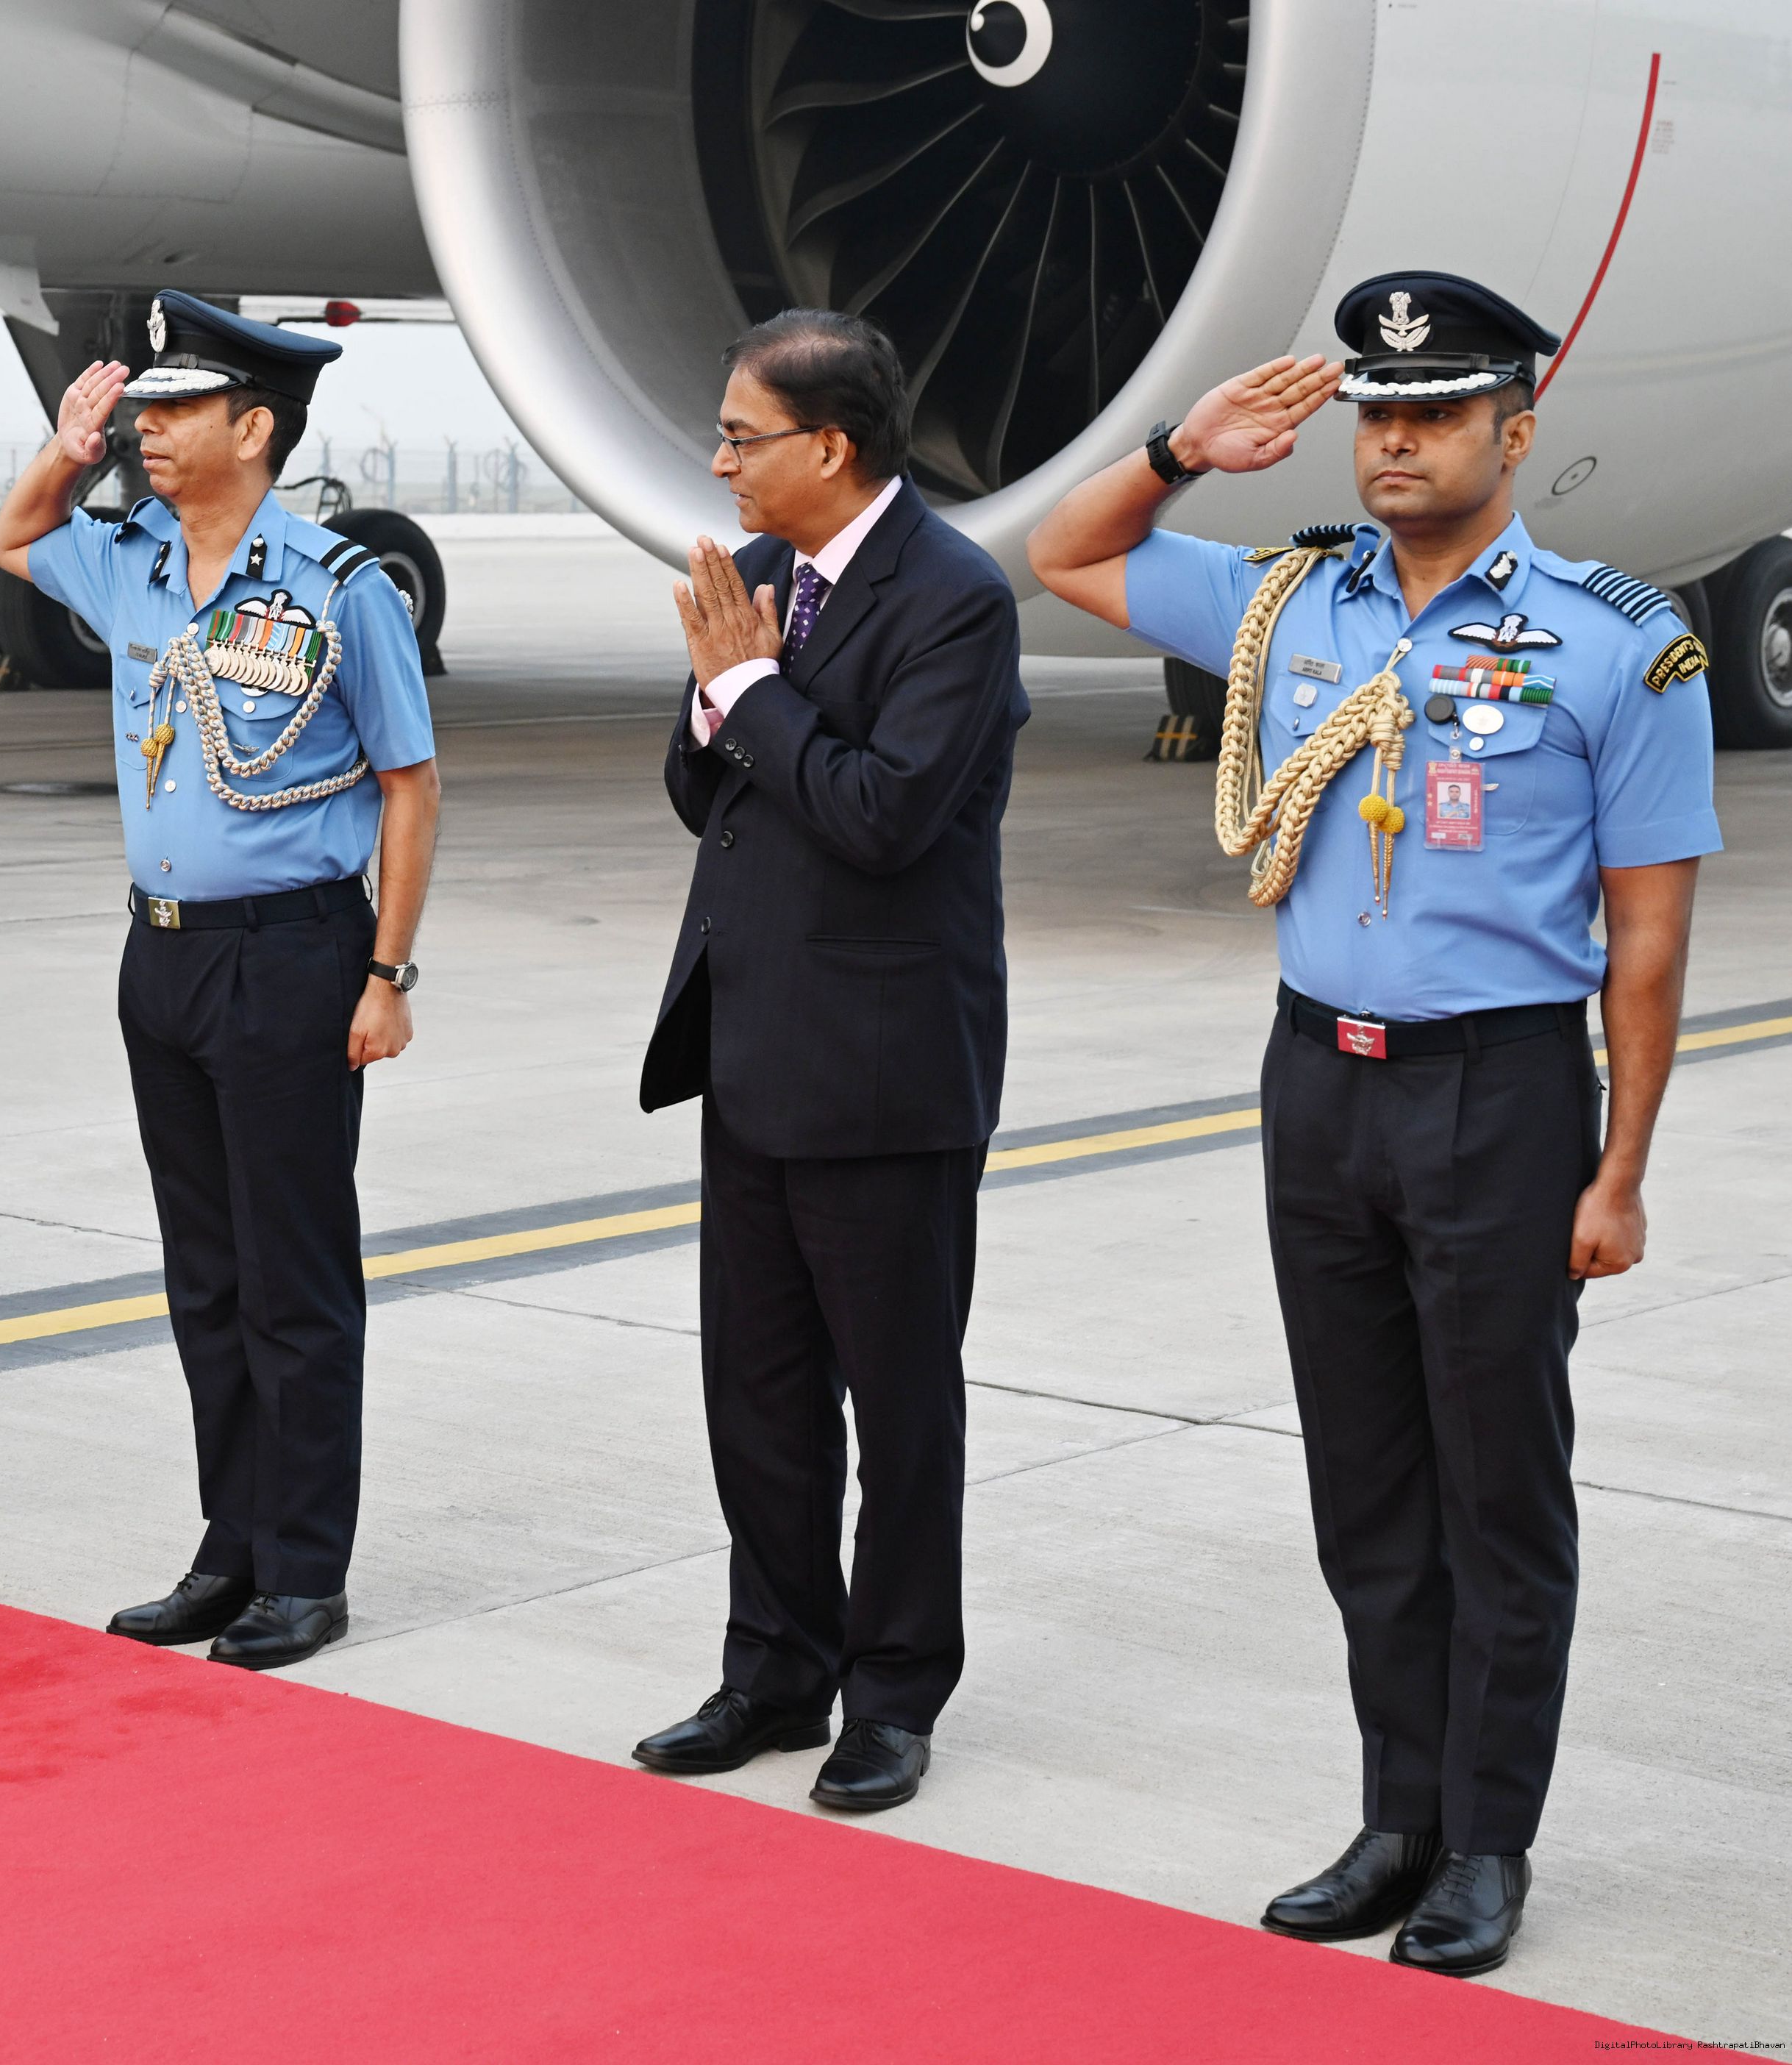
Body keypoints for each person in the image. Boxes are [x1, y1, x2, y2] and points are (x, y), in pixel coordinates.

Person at [1028, 273, 1721, 1977]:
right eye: (1377, 413)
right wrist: (1180, 450)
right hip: (1318, 1083)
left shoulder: (1615, 643)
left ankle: (1484, 1841)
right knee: (1364, 1482)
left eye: (1436, 412)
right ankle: (1394, 1816)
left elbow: (1644, 941)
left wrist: (1619, 1170)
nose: (1396, 440)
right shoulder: (1289, 604)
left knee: (1496, 1490)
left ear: (1514, 432)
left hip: (1499, 1095)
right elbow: (1065, 553)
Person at [0, 291, 440, 1669]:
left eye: (177, 410)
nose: (149, 429)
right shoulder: (128, 558)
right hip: (165, 955)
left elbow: (409, 786)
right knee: (206, 1275)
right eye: (146, 409)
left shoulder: (339, 589)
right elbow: (14, 540)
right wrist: (64, 450)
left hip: (293, 955)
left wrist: (387, 972)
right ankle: (229, 1548)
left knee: (293, 1279)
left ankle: (304, 1572)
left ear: (253, 430)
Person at [634, 310, 1027, 1810]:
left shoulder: (953, 600)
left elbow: (881, 816)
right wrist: (715, 699)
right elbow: (705, 799)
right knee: (758, 1392)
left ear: (833, 445)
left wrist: (750, 696)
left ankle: (896, 1691)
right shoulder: (756, 579)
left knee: (899, 1405)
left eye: (742, 436)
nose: (720, 461)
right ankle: (773, 1668)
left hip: (883, 1070)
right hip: (751, 1048)